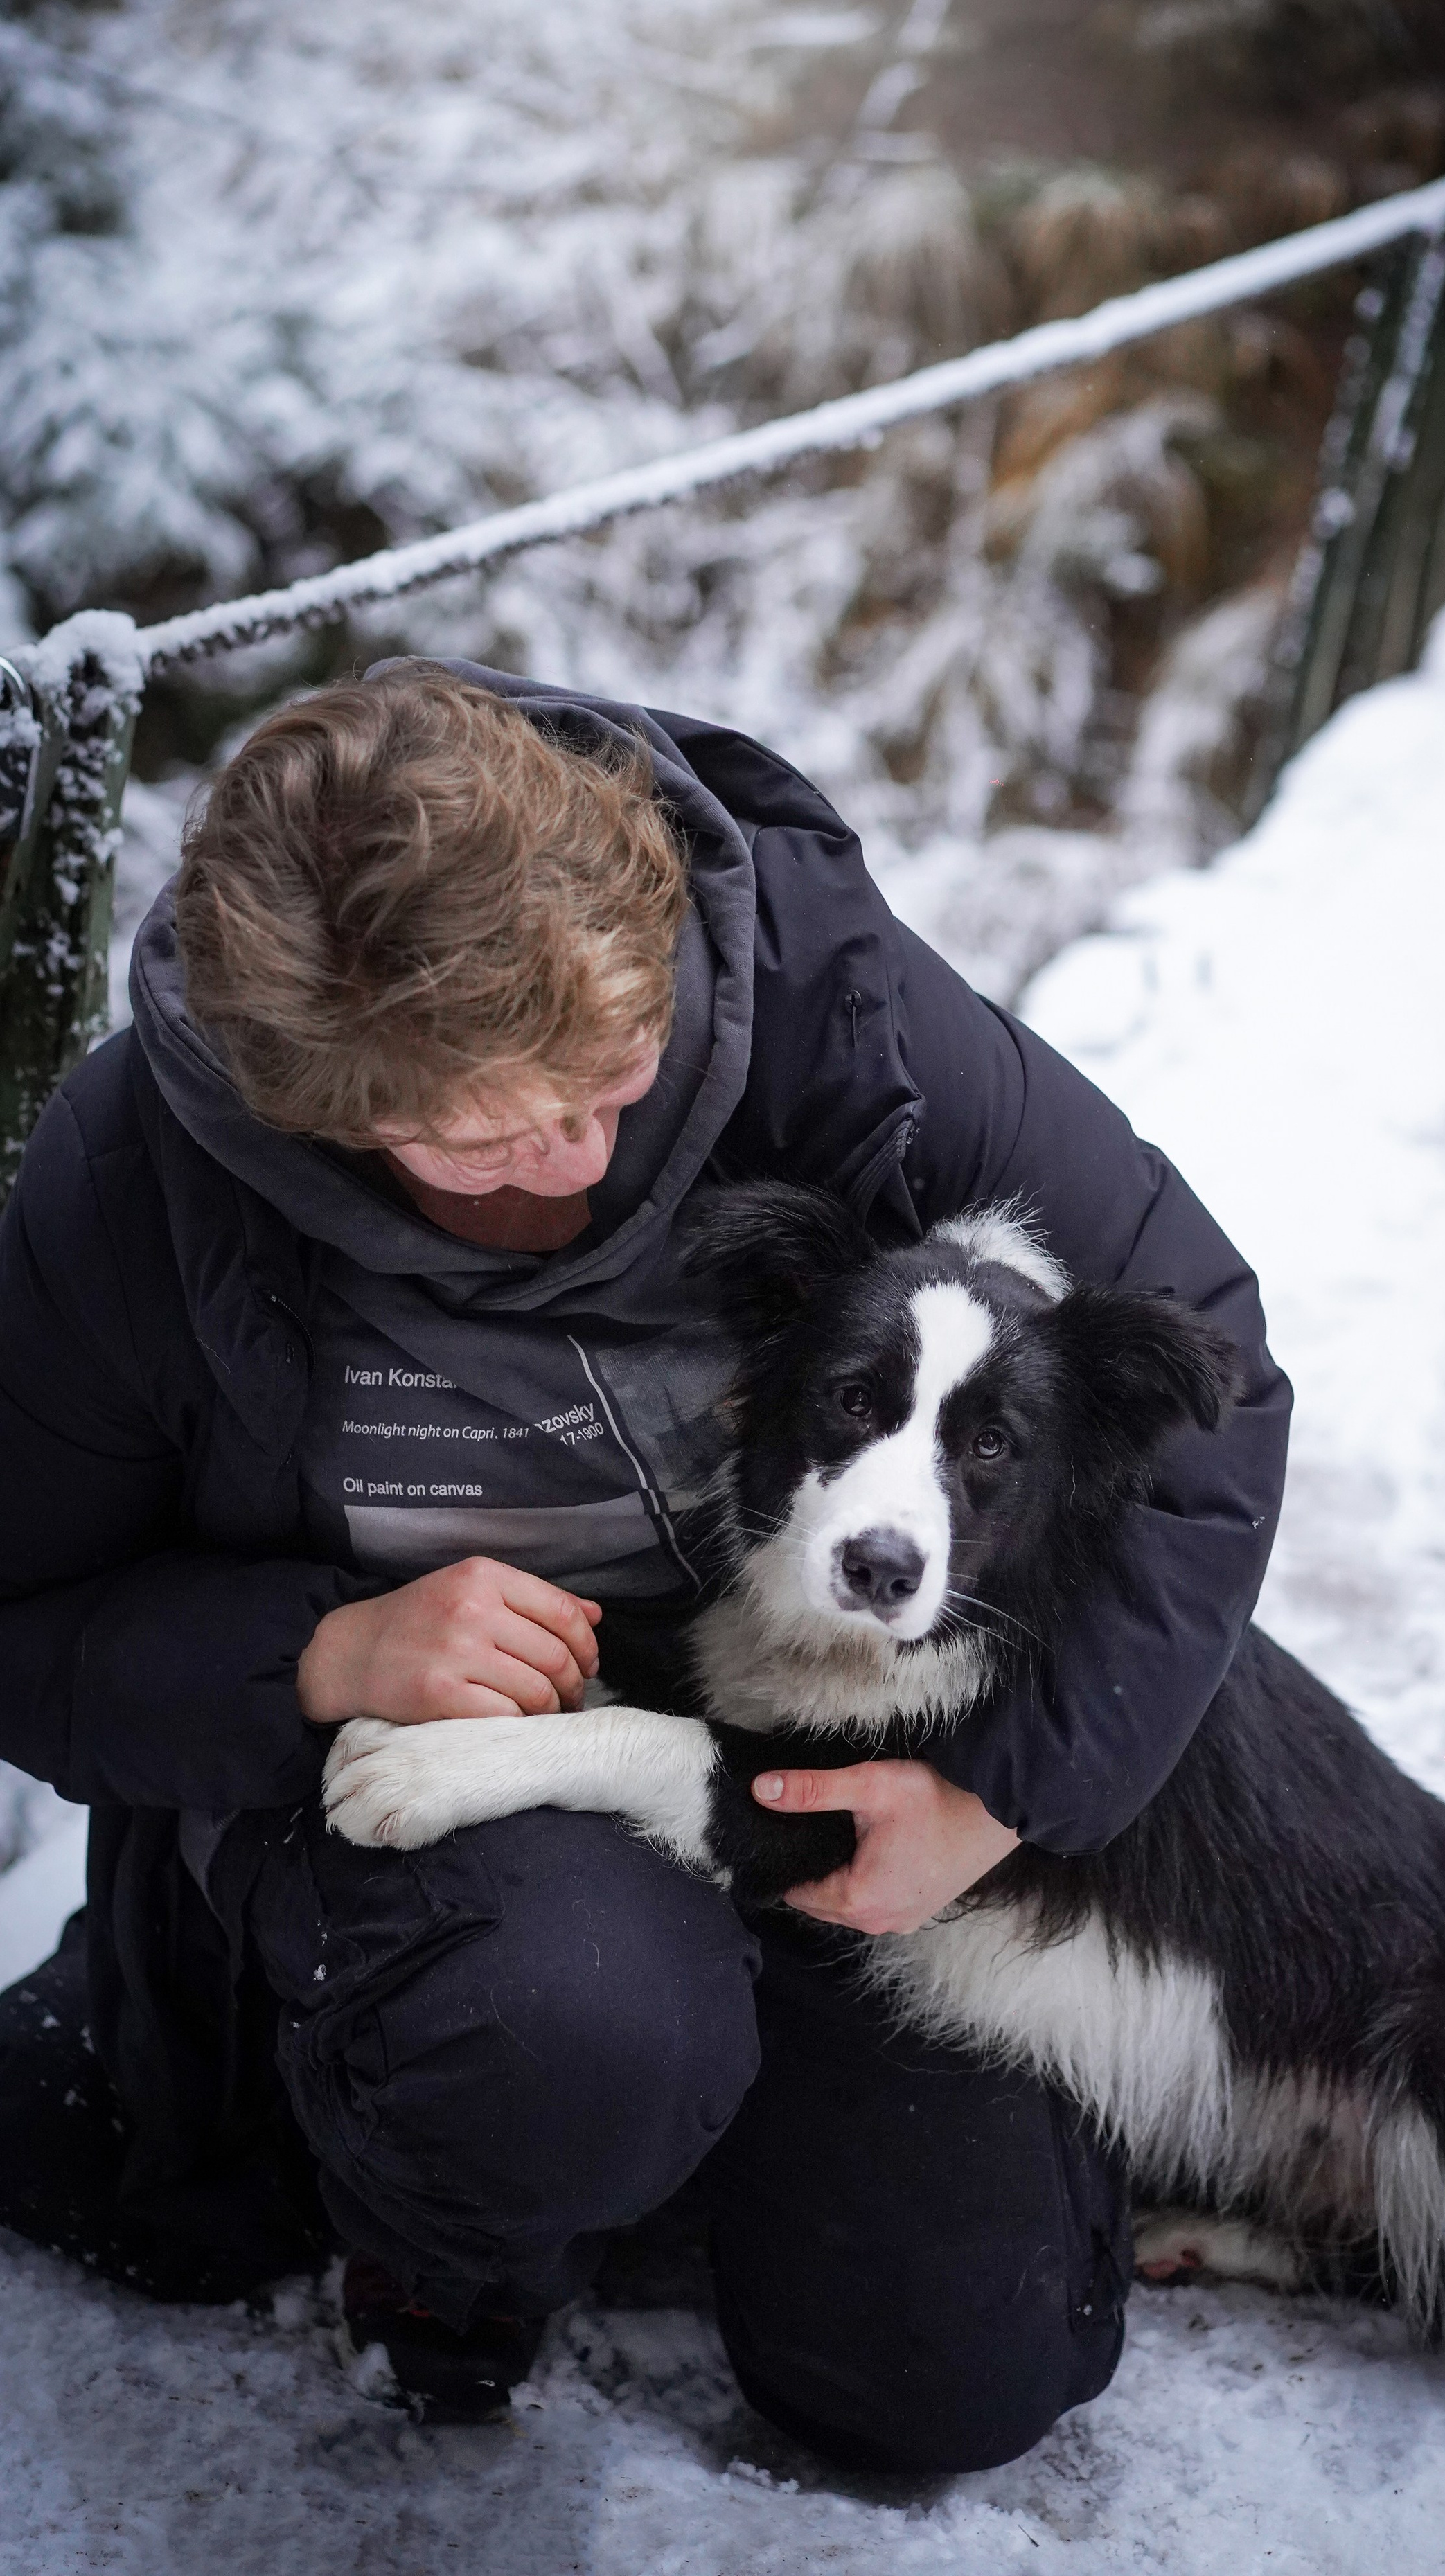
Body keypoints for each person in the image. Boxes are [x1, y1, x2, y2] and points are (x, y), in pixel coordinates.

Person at [0, 660, 1290, 2464]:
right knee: (567, 2033)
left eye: (617, 1071)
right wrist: (321, 1656)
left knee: (956, 2379)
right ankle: (439, 2218)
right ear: (323, 1113)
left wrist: (1014, 1796)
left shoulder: (818, 1000)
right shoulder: (139, 1181)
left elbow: (1210, 1379)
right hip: (451, 1799)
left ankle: (694, 2145)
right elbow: (25, 1619)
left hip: (822, 1749)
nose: (584, 1157)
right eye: (488, 1135)